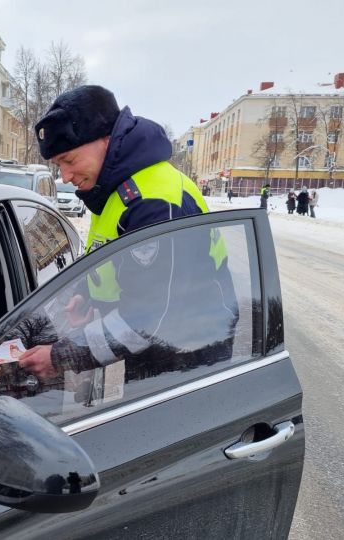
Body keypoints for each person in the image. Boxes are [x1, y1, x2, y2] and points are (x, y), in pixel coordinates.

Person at [17, 85, 237, 380]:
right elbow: (114, 263)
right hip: (157, 356)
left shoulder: (151, 203)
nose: (65, 177)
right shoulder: (115, 191)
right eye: (58, 165)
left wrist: (61, 356)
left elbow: (147, 319)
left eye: (69, 161)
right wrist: (88, 295)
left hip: (185, 363)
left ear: (106, 140)